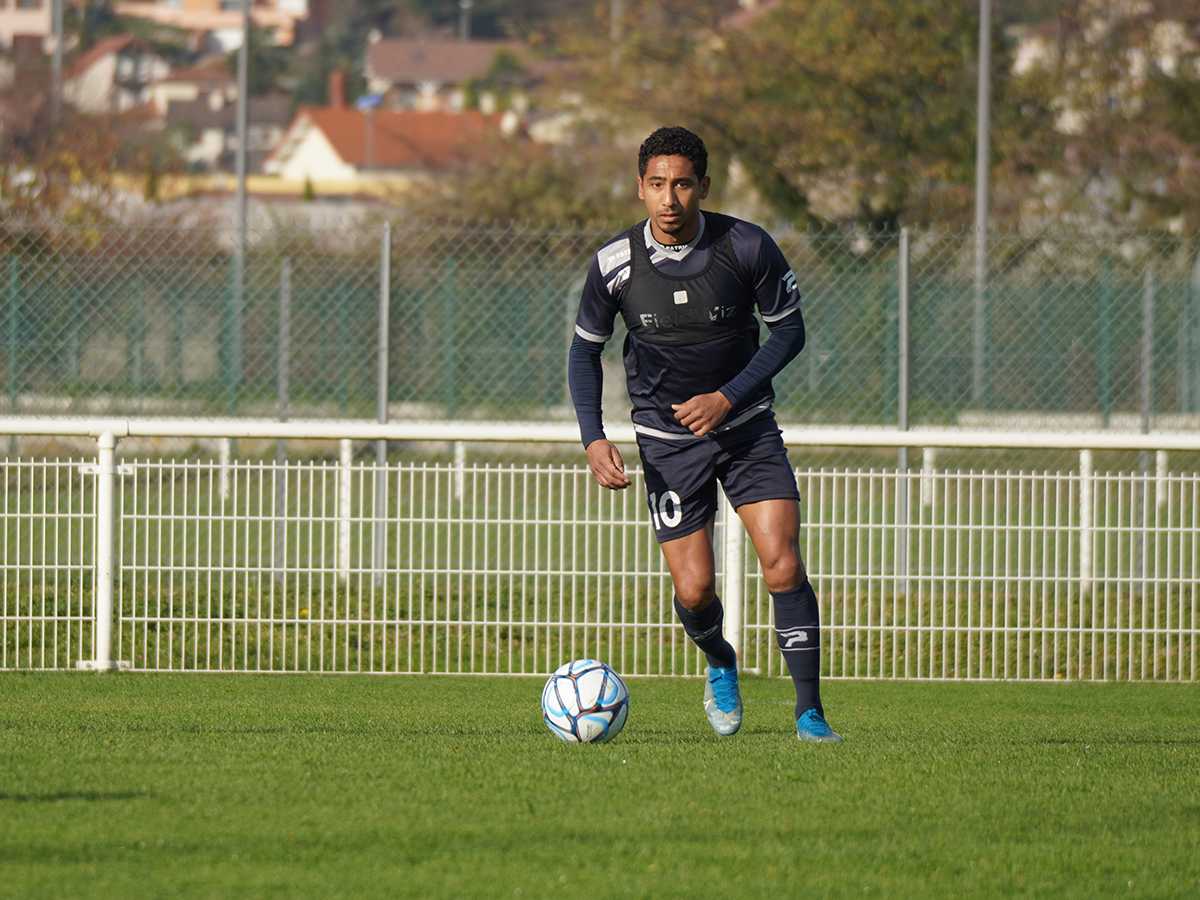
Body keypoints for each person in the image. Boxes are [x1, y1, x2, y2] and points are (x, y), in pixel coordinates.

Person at [568, 126, 841, 743]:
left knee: (783, 565)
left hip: (746, 431)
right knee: (694, 591)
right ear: (640, 188)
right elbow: (584, 354)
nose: (670, 199)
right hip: (666, 444)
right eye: (658, 184)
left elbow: (789, 334)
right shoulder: (614, 264)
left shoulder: (747, 246)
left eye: (683, 185)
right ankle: (721, 660)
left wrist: (727, 398)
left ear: (703, 188)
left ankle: (809, 714)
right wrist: (594, 437)